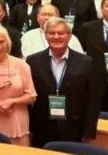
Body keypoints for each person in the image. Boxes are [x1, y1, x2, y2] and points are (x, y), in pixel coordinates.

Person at [26, 17, 100, 147]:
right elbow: (29, 96)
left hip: (74, 127)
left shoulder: (86, 62)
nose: (56, 37)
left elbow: (93, 100)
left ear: (69, 36)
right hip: (42, 127)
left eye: (61, 33)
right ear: (45, 36)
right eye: (51, 33)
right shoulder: (33, 61)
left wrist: (89, 132)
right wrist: (29, 128)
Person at [20, 4, 85, 58]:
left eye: (50, 15)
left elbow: (80, 60)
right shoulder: (28, 36)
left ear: (58, 17)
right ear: (37, 17)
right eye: (43, 14)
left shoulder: (70, 37)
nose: (46, 18)